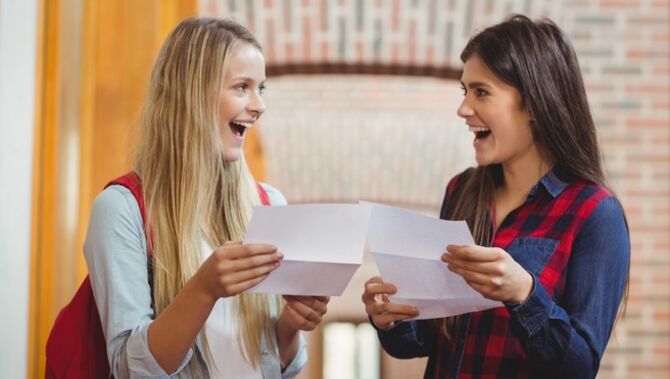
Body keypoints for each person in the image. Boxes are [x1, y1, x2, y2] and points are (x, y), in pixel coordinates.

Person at [361, 15, 629, 378]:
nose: (463, 108)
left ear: (534, 104)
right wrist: (390, 320)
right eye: (464, 91)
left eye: (481, 92)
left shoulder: (595, 213)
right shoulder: (461, 191)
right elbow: (426, 341)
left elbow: (579, 368)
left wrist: (524, 294)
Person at [84, 17, 329, 379]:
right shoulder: (122, 210)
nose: (259, 105)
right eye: (242, 87)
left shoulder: (269, 203)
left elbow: (275, 367)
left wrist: (290, 326)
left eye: (261, 88)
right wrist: (203, 289)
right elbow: (127, 368)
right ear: (191, 94)